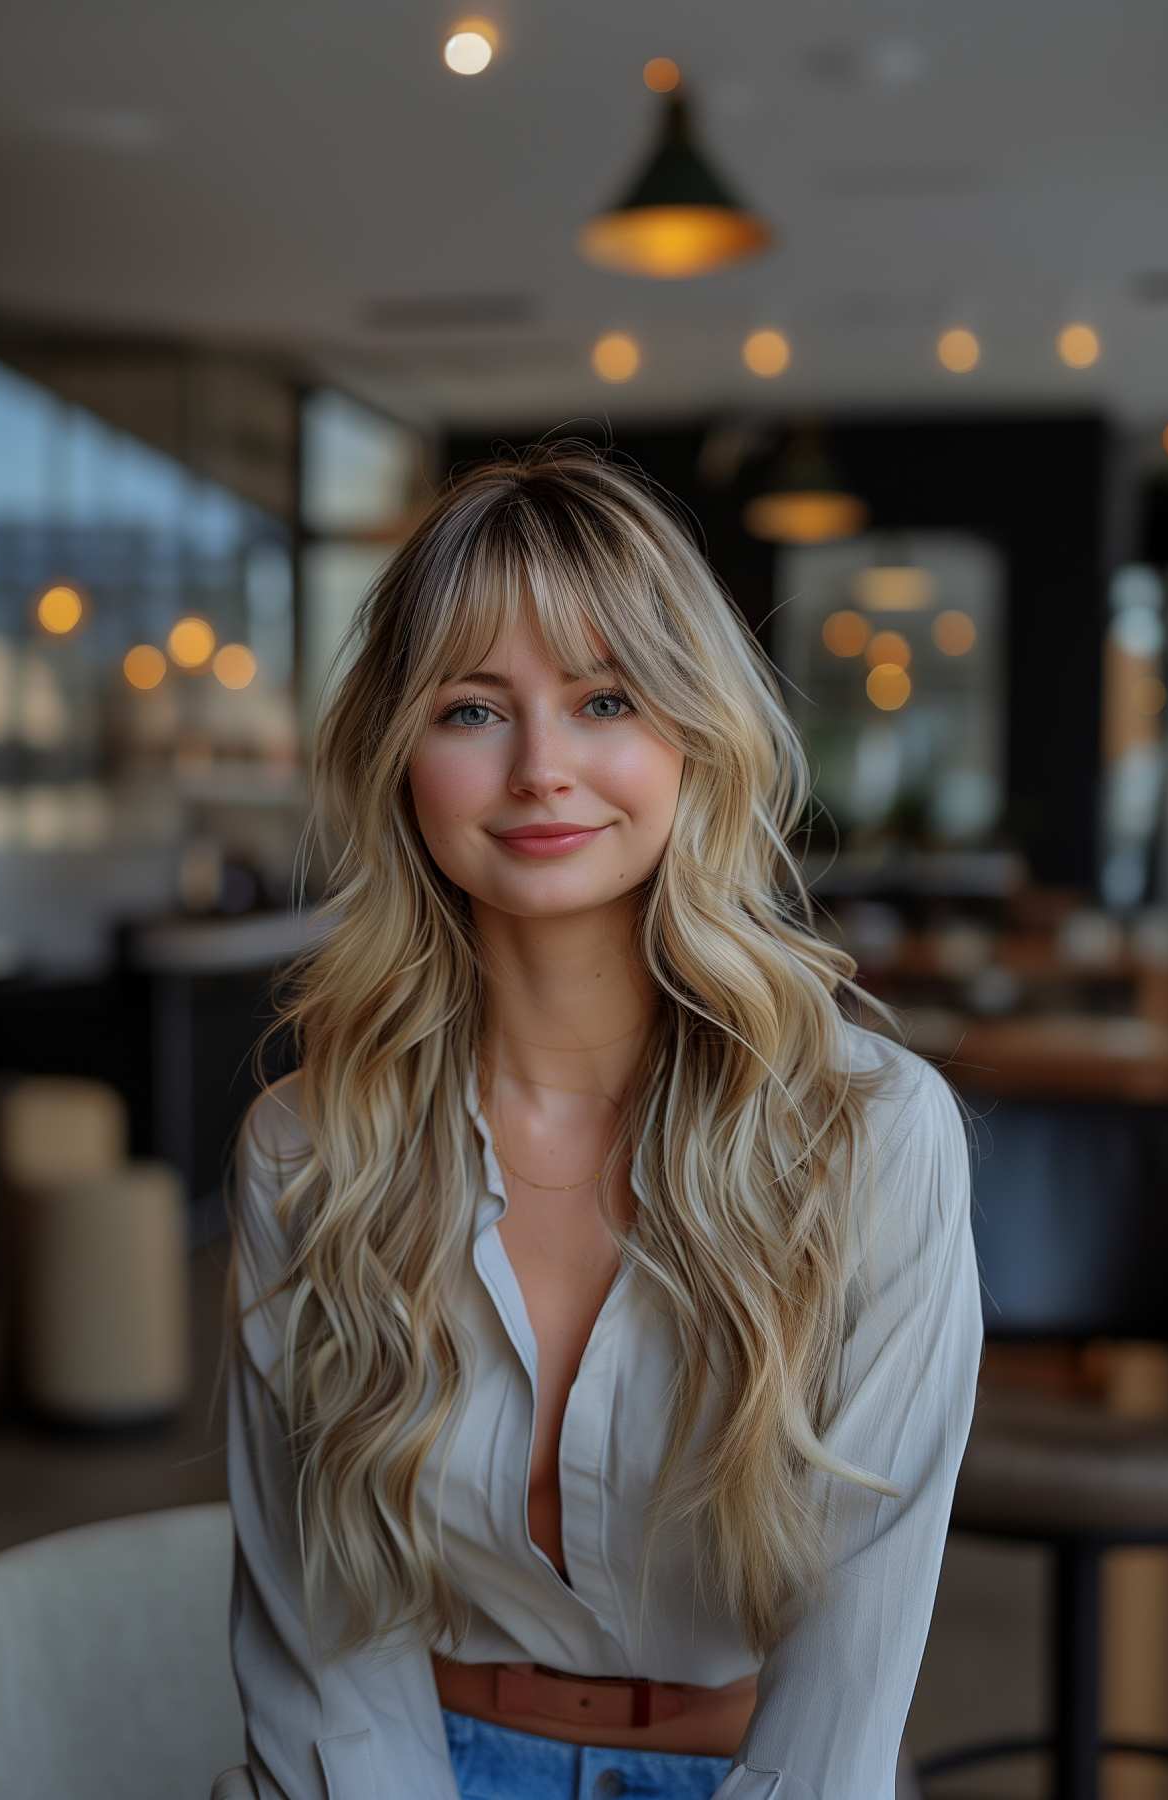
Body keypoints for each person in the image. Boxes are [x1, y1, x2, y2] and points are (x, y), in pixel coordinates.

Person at [220, 440, 985, 1800]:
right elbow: (319, 1645)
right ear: (398, 757)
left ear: (692, 734)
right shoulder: (308, 1149)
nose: (542, 768)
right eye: (471, 710)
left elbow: (851, 1670)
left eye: (605, 698)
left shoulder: (873, 1136)